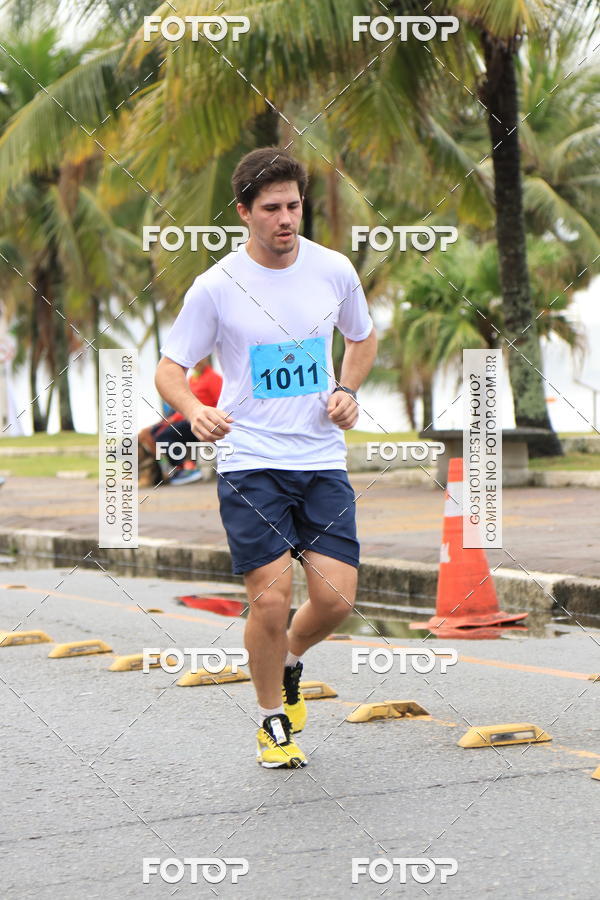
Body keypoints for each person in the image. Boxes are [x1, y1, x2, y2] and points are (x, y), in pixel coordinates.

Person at [156, 148, 377, 768]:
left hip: (321, 457)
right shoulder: (216, 286)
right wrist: (194, 410)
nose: (285, 219)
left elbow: (362, 338)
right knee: (272, 596)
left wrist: (347, 390)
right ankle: (272, 721)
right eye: (272, 208)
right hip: (249, 459)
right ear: (244, 213)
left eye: (294, 206)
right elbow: (170, 368)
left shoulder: (333, 270)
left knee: (336, 599)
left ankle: (289, 661)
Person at [139, 358, 222, 486]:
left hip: (202, 420)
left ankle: (184, 469)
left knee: (165, 436)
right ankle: (166, 470)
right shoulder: (192, 379)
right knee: (153, 433)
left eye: (201, 359)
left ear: (206, 358)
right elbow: (184, 405)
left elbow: (220, 403)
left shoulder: (213, 378)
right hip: (187, 417)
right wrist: (170, 420)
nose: (197, 362)